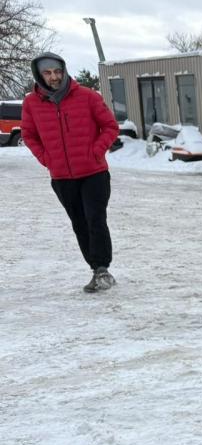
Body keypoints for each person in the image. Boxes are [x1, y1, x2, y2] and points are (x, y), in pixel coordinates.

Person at [22, 52, 120, 293]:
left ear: (64, 71)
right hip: (62, 177)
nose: (54, 77)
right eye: (48, 73)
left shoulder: (87, 96)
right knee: (79, 222)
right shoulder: (31, 103)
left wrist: (96, 152)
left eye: (57, 71)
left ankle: (102, 270)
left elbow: (110, 126)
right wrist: (47, 159)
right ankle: (94, 268)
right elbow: (29, 135)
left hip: (93, 172)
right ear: (39, 75)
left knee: (95, 219)